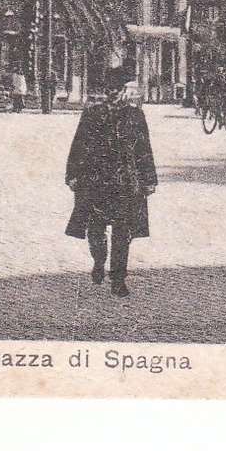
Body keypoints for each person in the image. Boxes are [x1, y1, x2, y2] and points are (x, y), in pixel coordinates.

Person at [65, 64, 157, 297]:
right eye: (113, 88)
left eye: (121, 88)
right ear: (107, 88)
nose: (117, 92)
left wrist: (148, 178)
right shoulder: (93, 111)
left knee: (122, 231)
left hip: (125, 180)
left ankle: (118, 278)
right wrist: (73, 174)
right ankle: (99, 261)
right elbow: (79, 144)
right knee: (95, 229)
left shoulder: (135, 114)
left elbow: (143, 148)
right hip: (97, 179)